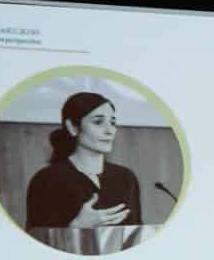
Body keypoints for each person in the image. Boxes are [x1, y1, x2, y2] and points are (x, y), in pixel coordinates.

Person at [23, 91, 143, 229]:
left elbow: (137, 233)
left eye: (112, 122)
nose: (109, 130)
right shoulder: (47, 179)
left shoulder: (126, 178)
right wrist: (76, 226)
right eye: (98, 122)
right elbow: (36, 238)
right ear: (72, 127)